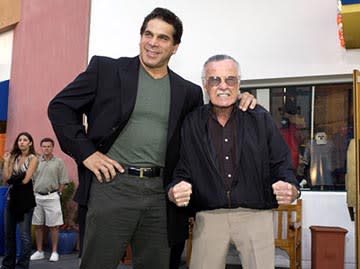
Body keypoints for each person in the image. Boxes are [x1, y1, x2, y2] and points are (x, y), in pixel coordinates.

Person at [47, 8, 256, 269]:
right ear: (141, 36)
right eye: (148, 34)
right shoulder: (107, 69)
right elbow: (60, 107)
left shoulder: (188, 92)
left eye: (163, 38)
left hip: (161, 196)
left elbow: (206, 132)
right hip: (111, 187)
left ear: (175, 47)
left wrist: (237, 101)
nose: (153, 43)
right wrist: (87, 153)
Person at [167, 54, 300, 269]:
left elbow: (281, 164)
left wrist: (292, 188)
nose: (223, 86)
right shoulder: (192, 122)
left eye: (230, 79)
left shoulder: (259, 117)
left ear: (239, 83)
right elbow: (182, 170)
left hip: (256, 215)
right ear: (204, 84)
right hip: (209, 217)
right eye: (214, 79)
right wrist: (175, 189)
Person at [1, 132, 39, 269]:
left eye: (25, 140)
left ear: (30, 143)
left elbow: (25, 180)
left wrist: (13, 178)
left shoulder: (33, 158)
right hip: (11, 199)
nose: (21, 142)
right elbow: (6, 179)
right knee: (8, 234)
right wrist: (6, 162)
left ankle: (22, 265)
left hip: (26, 200)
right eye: (19, 140)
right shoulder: (13, 157)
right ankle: (7, 264)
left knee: (24, 236)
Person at [30, 137, 69, 262]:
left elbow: (63, 179)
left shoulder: (59, 162)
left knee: (54, 226)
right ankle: (40, 251)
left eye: (49, 146)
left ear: (52, 147)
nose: (46, 148)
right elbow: (31, 179)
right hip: (37, 197)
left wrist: (59, 192)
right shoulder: (35, 161)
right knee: (38, 225)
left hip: (52, 196)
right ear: (41, 148)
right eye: (44, 146)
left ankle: (54, 252)